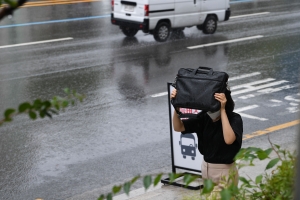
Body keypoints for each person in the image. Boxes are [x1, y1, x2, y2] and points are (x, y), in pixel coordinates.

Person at [170, 87, 243, 198]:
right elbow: (178, 127)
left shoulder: (234, 118)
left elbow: (229, 139)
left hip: (225, 171)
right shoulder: (204, 117)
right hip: (206, 169)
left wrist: (222, 110)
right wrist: (176, 107)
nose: (210, 109)